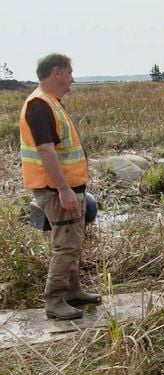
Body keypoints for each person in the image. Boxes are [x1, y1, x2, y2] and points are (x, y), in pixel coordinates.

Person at [19, 53, 101, 320]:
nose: (72, 79)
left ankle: (72, 291)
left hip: (67, 188)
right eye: (69, 72)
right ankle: (54, 300)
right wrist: (64, 189)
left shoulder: (51, 103)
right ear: (57, 73)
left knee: (73, 242)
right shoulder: (40, 105)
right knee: (65, 245)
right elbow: (45, 150)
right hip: (56, 191)